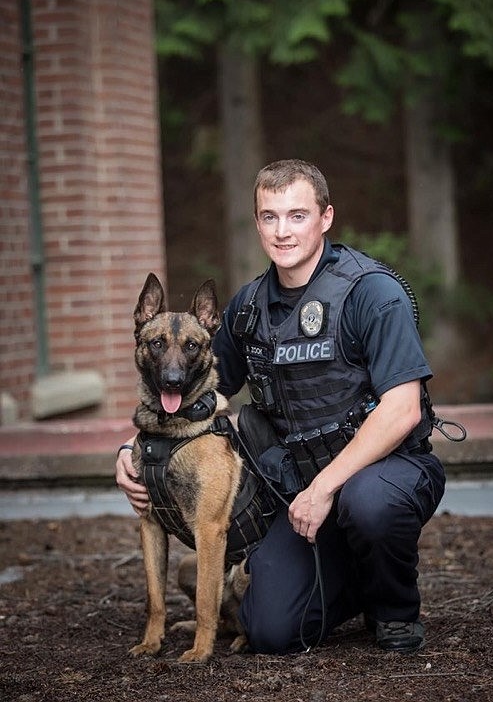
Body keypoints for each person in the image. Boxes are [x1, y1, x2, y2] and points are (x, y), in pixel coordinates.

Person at [116, 159, 446, 655]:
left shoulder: (373, 293)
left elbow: (403, 411)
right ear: (257, 223)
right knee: (268, 629)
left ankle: (393, 609)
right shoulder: (249, 307)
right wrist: (130, 450)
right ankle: (351, 581)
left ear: (326, 217)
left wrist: (324, 487)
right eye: (270, 216)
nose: (283, 231)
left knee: (370, 505)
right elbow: (187, 390)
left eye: (297, 215)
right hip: (295, 493)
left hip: (382, 472)